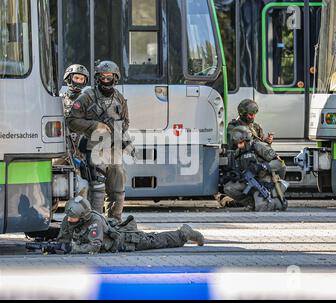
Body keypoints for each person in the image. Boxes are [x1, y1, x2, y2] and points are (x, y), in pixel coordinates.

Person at [67, 61, 133, 222]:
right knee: (97, 188)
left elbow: (125, 121)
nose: (105, 79)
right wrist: (95, 125)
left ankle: (114, 222)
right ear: (97, 78)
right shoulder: (87, 96)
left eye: (109, 76)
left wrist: (120, 136)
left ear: (115, 78)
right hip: (94, 148)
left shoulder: (119, 98)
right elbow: (72, 121)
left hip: (114, 149)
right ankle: (95, 222)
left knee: (117, 189)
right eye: (102, 77)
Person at [26, 196, 205, 255]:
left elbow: (94, 247)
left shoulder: (94, 221)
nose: (68, 220)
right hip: (110, 243)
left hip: (123, 241)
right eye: (69, 217)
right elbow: (64, 238)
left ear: (83, 216)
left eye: (73, 218)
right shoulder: (69, 218)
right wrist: (52, 247)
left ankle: (184, 233)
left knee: (156, 240)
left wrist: (72, 248)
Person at [223, 126, 289, 212]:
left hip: (264, 182)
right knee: (229, 188)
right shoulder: (238, 153)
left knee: (261, 207)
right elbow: (237, 169)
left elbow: (280, 163)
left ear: (247, 140)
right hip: (249, 181)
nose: (239, 145)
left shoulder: (258, 146)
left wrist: (262, 166)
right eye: (237, 143)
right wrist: (235, 174)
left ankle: (276, 202)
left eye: (241, 142)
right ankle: (251, 203)